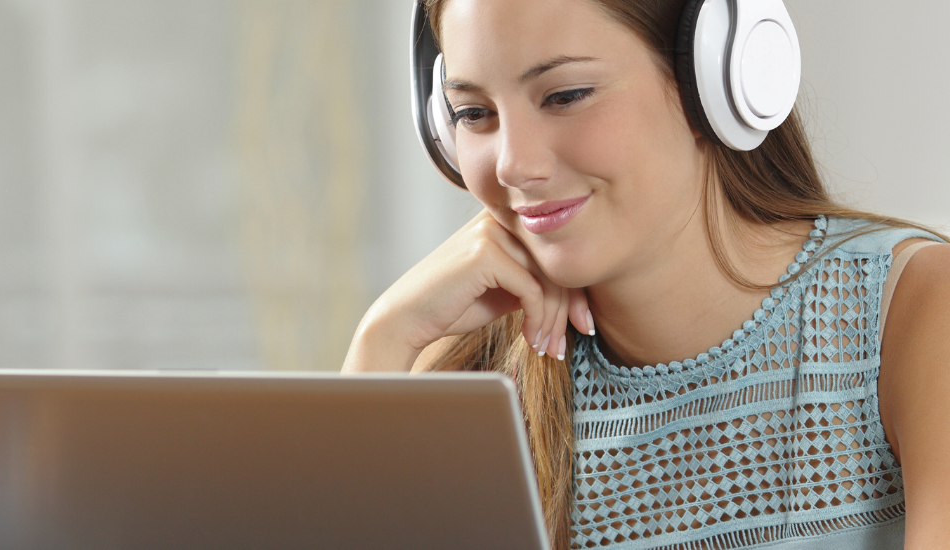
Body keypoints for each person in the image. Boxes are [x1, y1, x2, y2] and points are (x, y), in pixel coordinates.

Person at [340, 0, 950, 548]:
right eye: (473, 113)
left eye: (565, 95)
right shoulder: (458, 369)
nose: (513, 165)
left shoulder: (915, 311)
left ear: (717, 77)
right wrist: (382, 343)